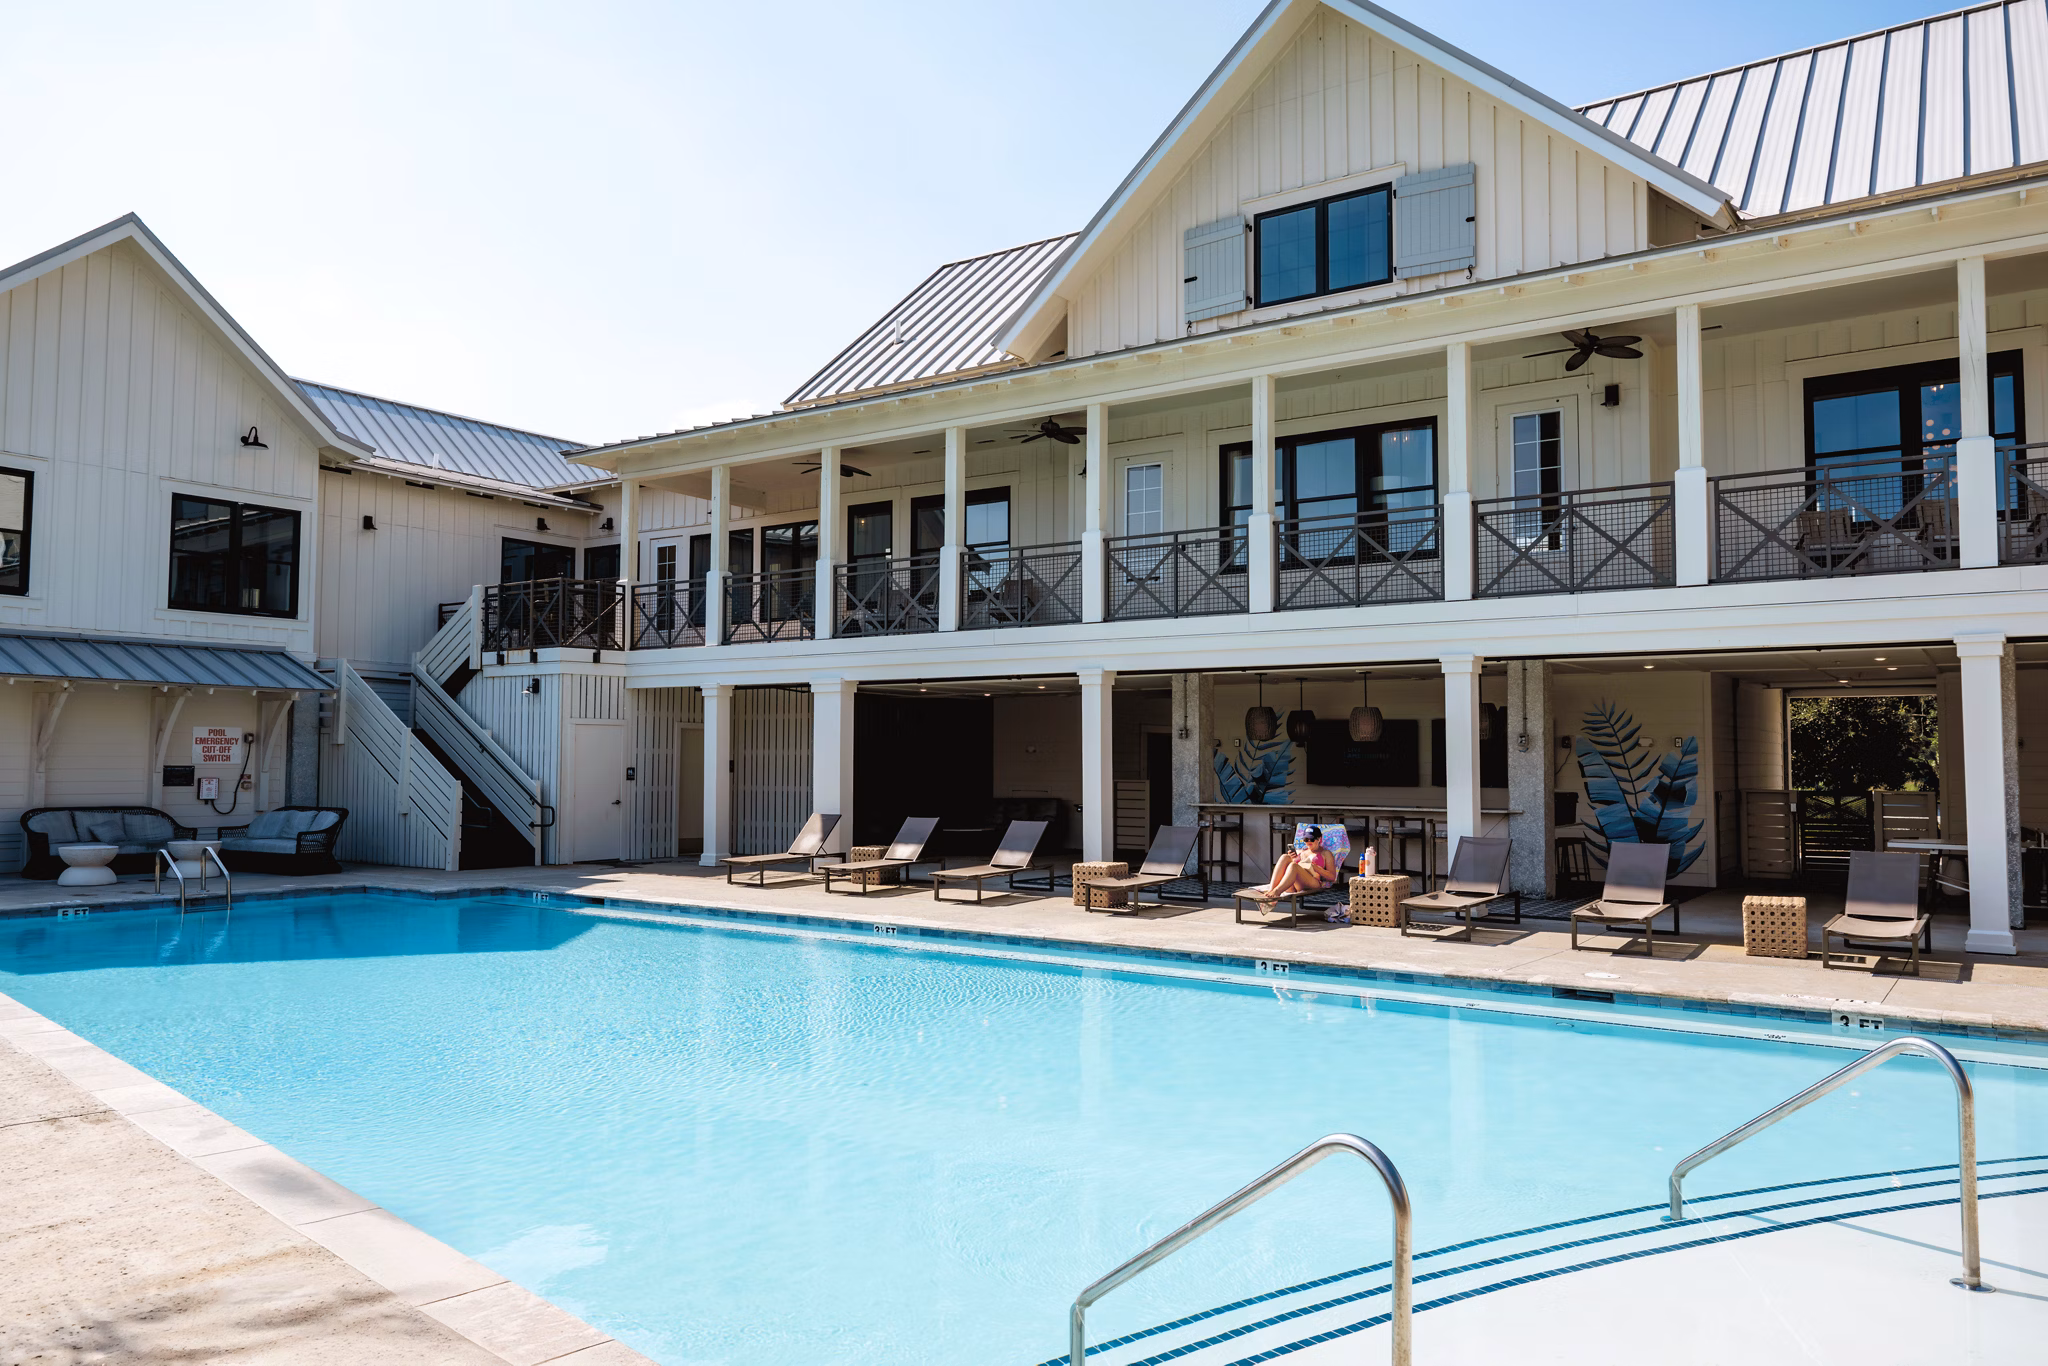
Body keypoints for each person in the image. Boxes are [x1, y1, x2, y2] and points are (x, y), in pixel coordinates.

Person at [1250, 825, 1338, 899]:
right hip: (1295, 884)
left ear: (1319, 839)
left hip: (1313, 883)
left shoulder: (1325, 853)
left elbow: (1332, 877)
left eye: (1312, 839)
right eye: (1306, 839)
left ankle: (1277, 892)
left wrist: (1316, 868)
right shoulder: (1302, 851)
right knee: (1285, 857)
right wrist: (1293, 858)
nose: (1308, 842)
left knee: (1293, 866)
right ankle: (1271, 890)